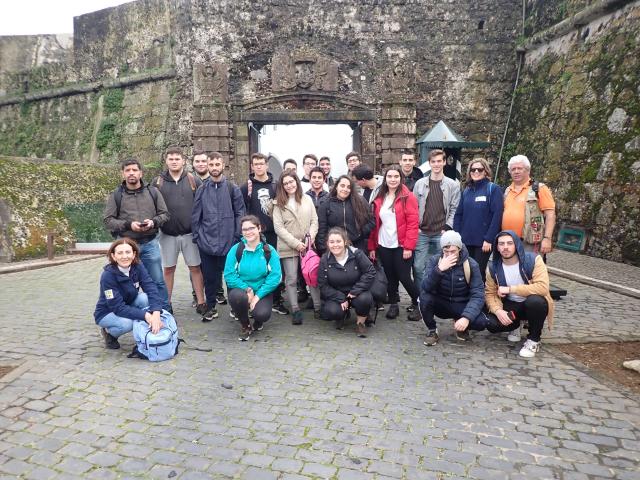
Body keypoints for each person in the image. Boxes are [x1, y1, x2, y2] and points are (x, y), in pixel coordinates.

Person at [103, 158, 170, 311]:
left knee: (157, 281)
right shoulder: (116, 195)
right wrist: (128, 225)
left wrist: (153, 222)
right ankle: (125, 311)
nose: (131, 173)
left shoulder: (153, 192)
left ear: (141, 173)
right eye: (128, 170)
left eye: (134, 170)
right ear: (123, 174)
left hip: (150, 243)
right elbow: (108, 220)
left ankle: (164, 311)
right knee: (122, 283)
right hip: (125, 247)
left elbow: (165, 214)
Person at [191, 152, 246, 322]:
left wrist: (237, 236)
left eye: (217, 164)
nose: (214, 168)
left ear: (223, 165)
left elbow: (240, 213)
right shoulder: (202, 189)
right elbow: (196, 215)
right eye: (211, 165)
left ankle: (236, 308)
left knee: (231, 277)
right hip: (207, 242)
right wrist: (198, 237)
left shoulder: (232, 188)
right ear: (208, 166)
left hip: (229, 242)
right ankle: (210, 307)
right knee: (210, 277)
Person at [485, 231, 555, 358]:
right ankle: (515, 326)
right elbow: (490, 294)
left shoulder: (533, 260)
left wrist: (511, 289)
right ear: (497, 247)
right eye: (501, 244)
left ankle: (534, 340)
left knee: (535, 302)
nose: (505, 247)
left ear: (516, 244)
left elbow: (543, 288)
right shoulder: (493, 267)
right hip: (511, 306)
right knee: (492, 324)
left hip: (530, 303)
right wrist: (498, 311)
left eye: (509, 243)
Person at [154, 147, 205, 313]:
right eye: (171, 159)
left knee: (195, 268)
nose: (174, 161)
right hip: (167, 234)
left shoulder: (193, 180)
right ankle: (166, 303)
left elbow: (203, 206)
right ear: (166, 161)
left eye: (177, 158)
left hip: (190, 234)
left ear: (183, 161)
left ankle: (201, 302)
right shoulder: (158, 182)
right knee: (168, 269)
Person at [368, 165, 421, 321]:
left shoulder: (408, 197)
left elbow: (413, 223)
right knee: (390, 277)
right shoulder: (380, 196)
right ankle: (393, 304)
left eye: (396, 176)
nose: (393, 179)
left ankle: (419, 303)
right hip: (384, 243)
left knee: (404, 277)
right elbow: (375, 224)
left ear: (401, 178)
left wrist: (409, 247)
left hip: (401, 245)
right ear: (385, 179)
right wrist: (372, 246)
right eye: (389, 176)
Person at [240, 152, 289, 315]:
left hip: (274, 233)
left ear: (267, 165)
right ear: (252, 166)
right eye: (256, 164)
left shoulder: (275, 186)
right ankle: (252, 298)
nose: (259, 166)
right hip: (254, 235)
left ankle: (276, 299)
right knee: (255, 267)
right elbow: (242, 210)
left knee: (274, 267)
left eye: (262, 163)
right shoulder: (246, 187)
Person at [418, 231, 487, 346]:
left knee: (481, 322)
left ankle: (461, 325)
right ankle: (432, 330)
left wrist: (466, 317)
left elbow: (478, 294)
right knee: (424, 297)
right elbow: (425, 287)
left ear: (459, 249)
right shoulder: (434, 260)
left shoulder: (471, 264)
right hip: (441, 302)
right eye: (446, 251)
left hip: (460, 303)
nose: (450, 255)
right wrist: (439, 270)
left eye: (453, 251)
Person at [94, 238, 163, 350]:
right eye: (120, 253)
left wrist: (156, 313)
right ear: (113, 256)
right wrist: (146, 315)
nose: (124, 256)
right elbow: (118, 308)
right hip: (107, 312)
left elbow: (151, 288)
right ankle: (109, 334)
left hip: (128, 303)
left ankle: (148, 329)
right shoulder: (107, 276)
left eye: (128, 252)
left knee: (145, 298)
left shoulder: (138, 266)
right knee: (127, 324)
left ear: (134, 254)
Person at [224, 215, 283, 341]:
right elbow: (229, 275)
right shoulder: (236, 250)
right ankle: (245, 325)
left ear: (259, 228)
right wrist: (247, 289)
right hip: (241, 290)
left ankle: (258, 320)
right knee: (237, 297)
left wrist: (258, 296)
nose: (248, 232)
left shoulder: (269, 251)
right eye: (245, 229)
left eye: (251, 228)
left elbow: (275, 277)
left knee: (262, 314)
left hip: (262, 290)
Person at [272, 172, 320, 324]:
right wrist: (296, 244)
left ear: (297, 182)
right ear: (282, 186)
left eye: (291, 181)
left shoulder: (307, 199)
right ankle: (295, 309)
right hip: (288, 247)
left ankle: (318, 307)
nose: (289, 185)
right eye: (285, 183)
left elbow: (314, 221)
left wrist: (310, 238)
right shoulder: (278, 204)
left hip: (308, 246)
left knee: (311, 275)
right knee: (291, 279)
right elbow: (279, 228)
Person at [413, 149, 460, 290]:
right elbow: (413, 208)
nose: (436, 164)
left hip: (442, 233)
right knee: (418, 267)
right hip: (422, 232)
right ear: (429, 163)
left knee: (442, 266)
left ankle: (439, 295)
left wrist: (447, 227)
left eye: (439, 161)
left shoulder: (452, 185)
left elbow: (454, 208)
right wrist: (416, 226)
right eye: (433, 161)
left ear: (444, 162)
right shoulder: (420, 184)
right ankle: (421, 297)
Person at [318, 227, 376, 337]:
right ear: (327, 244)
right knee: (331, 311)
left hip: (357, 292)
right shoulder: (324, 259)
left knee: (365, 299)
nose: (335, 245)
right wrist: (341, 298)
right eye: (332, 242)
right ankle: (342, 315)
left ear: (345, 242)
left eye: (338, 241)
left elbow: (370, 272)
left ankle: (361, 323)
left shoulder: (357, 254)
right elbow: (323, 285)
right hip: (337, 295)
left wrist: (354, 292)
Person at [453, 158, 504, 281]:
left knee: (478, 273)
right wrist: (457, 236)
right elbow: (458, 214)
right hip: (465, 241)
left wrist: (489, 239)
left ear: (485, 171)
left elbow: (497, 215)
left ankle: (480, 294)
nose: (476, 172)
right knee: (466, 272)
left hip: (483, 243)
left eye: (479, 169)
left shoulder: (493, 189)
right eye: (473, 169)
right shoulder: (466, 191)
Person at [502, 154, 556, 255]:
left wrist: (547, 238)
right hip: (508, 241)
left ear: (528, 170)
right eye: (513, 169)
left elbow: (550, 215)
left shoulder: (539, 189)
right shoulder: (507, 191)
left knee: (530, 265)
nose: (516, 171)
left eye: (520, 168)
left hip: (530, 242)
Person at [317, 175, 374, 253]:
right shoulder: (326, 204)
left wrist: (360, 233)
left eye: (348, 187)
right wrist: (323, 249)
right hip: (335, 247)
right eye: (342, 186)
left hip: (357, 245)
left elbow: (371, 220)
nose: (345, 189)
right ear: (336, 187)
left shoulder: (360, 201)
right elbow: (322, 229)